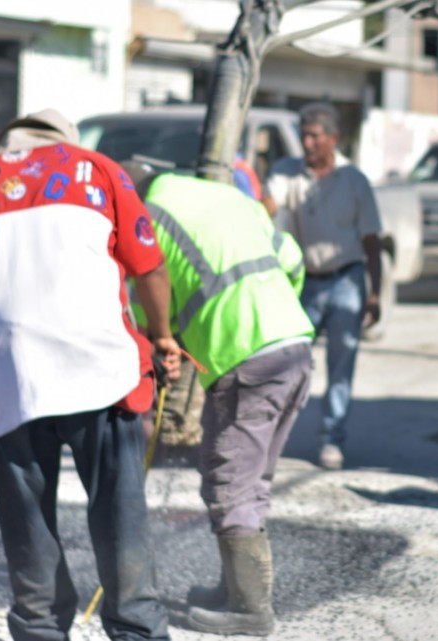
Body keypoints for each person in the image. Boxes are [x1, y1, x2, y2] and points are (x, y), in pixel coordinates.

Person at [0, 109, 181, 641]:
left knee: (27, 520)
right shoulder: (96, 170)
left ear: (5, 146)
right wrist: (163, 334)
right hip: (100, 370)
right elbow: (149, 267)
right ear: (63, 141)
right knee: (118, 513)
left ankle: (38, 630)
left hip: (12, 381)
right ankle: (137, 630)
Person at [122, 161, 314, 637]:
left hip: (244, 356)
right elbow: (292, 260)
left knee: (231, 483)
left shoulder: (148, 217)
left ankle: (251, 610)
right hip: (292, 347)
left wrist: (162, 341)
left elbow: (143, 303)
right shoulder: (227, 197)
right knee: (246, 478)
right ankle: (234, 590)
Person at [262, 101, 383, 470]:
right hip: (305, 282)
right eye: (304, 134)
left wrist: (374, 293)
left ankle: (332, 440)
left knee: (341, 364)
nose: (307, 142)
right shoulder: (287, 172)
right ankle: (273, 437)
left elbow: (372, 240)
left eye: (315, 135)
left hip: (346, 279)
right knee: (290, 363)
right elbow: (267, 205)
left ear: (334, 138)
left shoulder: (354, 181)